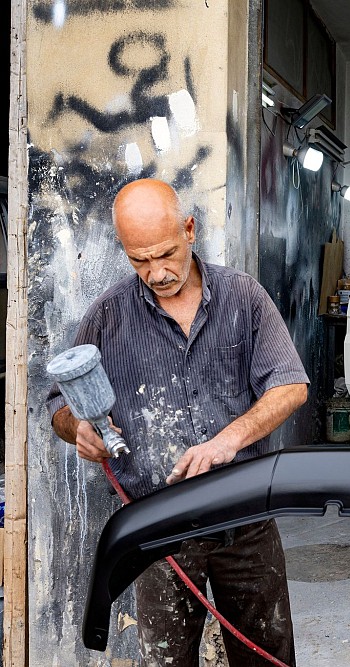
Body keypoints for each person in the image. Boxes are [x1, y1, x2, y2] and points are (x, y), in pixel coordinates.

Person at [47, 179, 309, 666]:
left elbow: (291, 385)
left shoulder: (243, 298)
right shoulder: (108, 315)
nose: (157, 272)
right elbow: (59, 404)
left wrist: (228, 439)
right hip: (158, 530)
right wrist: (76, 428)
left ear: (189, 229)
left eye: (166, 254)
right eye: (139, 260)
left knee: (267, 657)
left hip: (244, 524)